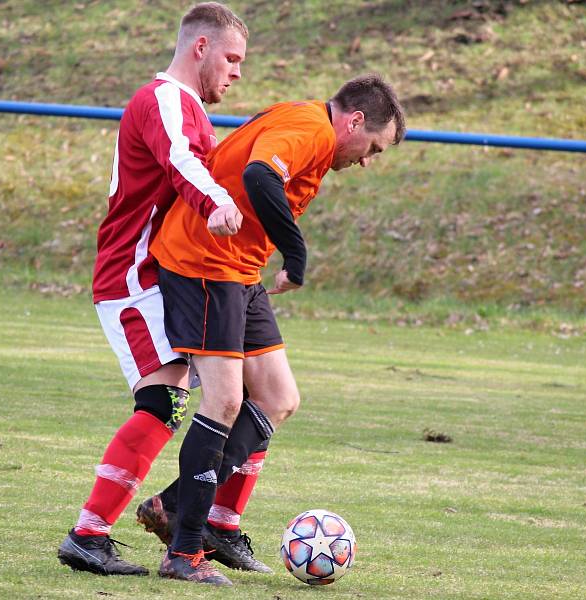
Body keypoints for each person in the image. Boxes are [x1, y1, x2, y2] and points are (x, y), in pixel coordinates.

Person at [139, 73, 406, 585]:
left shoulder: (312, 131)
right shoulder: (311, 128)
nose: (368, 161)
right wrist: (297, 252)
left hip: (239, 270)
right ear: (353, 121)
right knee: (223, 401)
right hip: (204, 264)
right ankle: (184, 553)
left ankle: (174, 506)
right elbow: (261, 176)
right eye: (373, 146)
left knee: (279, 397)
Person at [57, 2, 251, 577]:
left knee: (191, 399)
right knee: (164, 403)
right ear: (200, 48)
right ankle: (90, 534)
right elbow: (180, 162)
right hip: (132, 274)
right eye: (232, 58)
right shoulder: (165, 99)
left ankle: (144, 524)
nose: (237, 72)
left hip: (162, 274)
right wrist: (216, 202)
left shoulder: (188, 107)